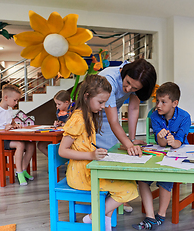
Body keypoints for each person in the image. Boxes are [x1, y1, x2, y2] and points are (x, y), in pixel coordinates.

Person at [58, 75, 139, 231]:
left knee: (127, 184)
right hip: (81, 176)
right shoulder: (78, 119)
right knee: (129, 189)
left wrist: (96, 153)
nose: (103, 106)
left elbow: (82, 145)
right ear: (87, 96)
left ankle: (105, 223)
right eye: (101, 102)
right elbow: (62, 151)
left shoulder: (86, 116)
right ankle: (93, 216)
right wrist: (91, 155)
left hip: (87, 171)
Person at [97, 59, 157, 213]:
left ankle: (118, 197)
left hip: (112, 116)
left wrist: (131, 139)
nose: (128, 88)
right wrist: (129, 145)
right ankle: (107, 197)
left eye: (134, 88)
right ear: (125, 73)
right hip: (94, 116)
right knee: (103, 157)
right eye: (128, 82)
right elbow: (112, 121)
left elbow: (134, 108)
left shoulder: (137, 81)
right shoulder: (109, 80)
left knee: (117, 155)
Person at [132, 82, 191, 230]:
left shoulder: (185, 117)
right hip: (160, 153)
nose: (158, 105)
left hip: (178, 155)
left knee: (166, 178)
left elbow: (180, 141)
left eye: (163, 102)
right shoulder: (155, 116)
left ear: (174, 103)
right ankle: (150, 216)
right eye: (157, 101)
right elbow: (162, 144)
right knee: (142, 179)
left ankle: (161, 215)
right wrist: (163, 138)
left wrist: (174, 141)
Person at [0, 84, 36, 186]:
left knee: (30, 145)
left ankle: (23, 169)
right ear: (6, 98)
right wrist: (3, 130)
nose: (16, 103)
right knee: (20, 145)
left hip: (8, 137)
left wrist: (16, 125)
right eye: (15, 100)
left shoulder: (9, 110)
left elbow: (12, 123)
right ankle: (19, 172)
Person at [37, 90, 72, 156]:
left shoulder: (74, 110)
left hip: (70, 137)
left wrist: (66, 124)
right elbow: (61, 121)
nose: (57, 106)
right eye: (56, 104)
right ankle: (54, 160)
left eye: (59, 104)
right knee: (41, 145)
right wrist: (58, 123)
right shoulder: (59, 112)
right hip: (60, 134)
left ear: (67, 103)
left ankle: (58, 160)